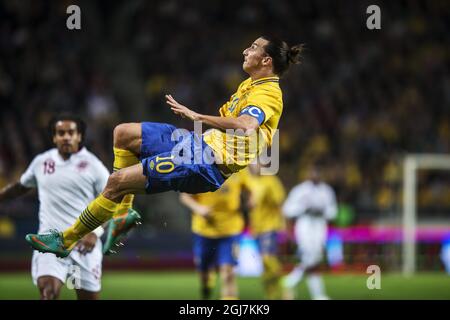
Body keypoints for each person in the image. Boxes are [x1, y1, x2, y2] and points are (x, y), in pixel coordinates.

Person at [25, 35, 303, 258]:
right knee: (123, 133)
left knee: (116, 182)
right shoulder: (250, 85)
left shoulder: (269, 93)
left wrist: (197, 116)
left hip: (205, 166)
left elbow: (246, 125)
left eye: (252, 47)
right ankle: (123, 215)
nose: (245, 50)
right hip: (196, 145)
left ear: (266, 60)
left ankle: (66, 240)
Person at [0, 115, 109, 300]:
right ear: (54, 137)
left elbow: (112, 203)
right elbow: (20, 187)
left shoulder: (93, 166)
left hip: (82, 246)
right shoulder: (41, 162)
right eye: (61, 133)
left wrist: (95, 233)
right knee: (48, 293)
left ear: (79, 136)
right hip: (50, 243)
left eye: (71, 133)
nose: (66, 137)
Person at [179, 173, 245, 300]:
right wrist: (199, 208)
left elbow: (250, 188)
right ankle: (206, 286)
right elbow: (184, 196)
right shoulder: (200, 170)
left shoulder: (239, 170)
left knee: (228, 272)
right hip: (204, 230)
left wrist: (250, 200)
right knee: (204, 271)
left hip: (230, 230)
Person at [281, 163, 337, 300]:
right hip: (304, 223)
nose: (315, 176)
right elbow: (287, 209)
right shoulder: (300, 190)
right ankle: (318, 295)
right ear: (308, 174)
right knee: (309, 253)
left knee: (315, 256)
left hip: (319, 224)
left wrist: (323, 211)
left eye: (317, 173)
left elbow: (333, 211)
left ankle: (293, 278)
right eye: (312, 172)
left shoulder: (327, 190)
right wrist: (303, 209)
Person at [243, 162, 286, 299]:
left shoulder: (271, 181)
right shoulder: (249, 180)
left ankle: (284, 287)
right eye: (251, 164)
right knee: (263, 262)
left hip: (270, 225)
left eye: (256, 164)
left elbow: (279, 203)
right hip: (257, 227)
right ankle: (271, 294)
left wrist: (283, 223)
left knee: (268, 258)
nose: (254, 167)